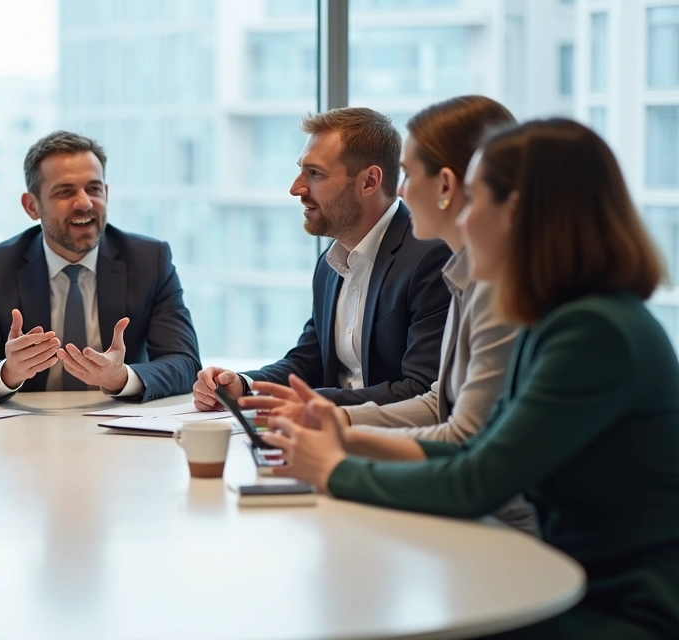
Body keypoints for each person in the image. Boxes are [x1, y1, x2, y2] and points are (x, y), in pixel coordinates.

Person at [257, 119, 679, 638]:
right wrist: (345, 437)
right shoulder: (554, 319)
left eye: (476, 198)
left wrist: (334, 470)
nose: (465, 215)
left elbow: (478, 481)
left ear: (517, 212)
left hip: (622, 605)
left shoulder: (592, 332)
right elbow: (475, 449)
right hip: (569, 581)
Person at [244, 96, 533, 533]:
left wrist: (336, 461)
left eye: (411, 173)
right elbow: (440, 404)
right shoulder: (460, 273)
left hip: (509, 528)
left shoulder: (474, 277)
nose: (400, 189)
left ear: (447, 186)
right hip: (480, 510)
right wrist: (330, 424)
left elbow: (462, 438)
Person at [193, 107, 452, 410]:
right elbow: (309, 361)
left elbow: (422, 391)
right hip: (327, 437)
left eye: (315, 173)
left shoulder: (430, 257)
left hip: (388, 446)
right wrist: (242, 385)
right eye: (302, 169)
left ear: (369, 182)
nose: (296, 188)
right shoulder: (329, 265)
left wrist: (306, 404)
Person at [0, 131, 201, 403]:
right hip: (28, 431)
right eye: (65, 192)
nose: (85, 203)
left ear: (106, 193)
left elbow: (185, 363)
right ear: (32, 206)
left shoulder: (149, 260)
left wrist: (121, 377)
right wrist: (8, 372)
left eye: (93, 189)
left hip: (121, 428)